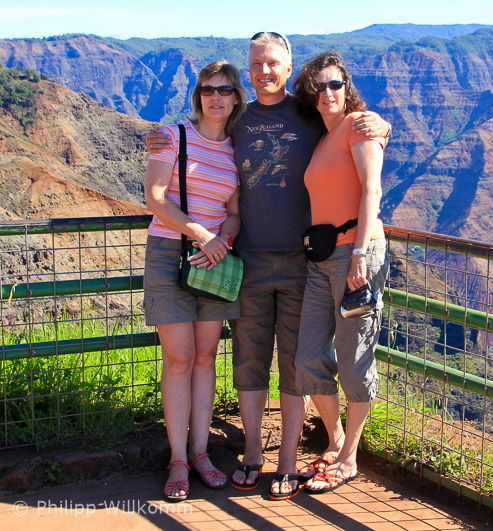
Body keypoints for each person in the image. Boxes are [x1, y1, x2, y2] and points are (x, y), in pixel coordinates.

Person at [146, 31, 390, 500]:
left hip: (306, 261)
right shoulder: (238, 116)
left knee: (298, 364)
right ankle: (255, 453)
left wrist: (381, 125)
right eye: (256, 63)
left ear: (287, 65)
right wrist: (158, 136)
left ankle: (288, 460)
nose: (264, 71)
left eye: (273, 62)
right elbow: (201, 132)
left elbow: (352, 129)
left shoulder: (308, 111)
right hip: (248, 261)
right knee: (250, 360)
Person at [143, 60, 247, 502]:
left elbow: (237, 213)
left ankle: (202, 454)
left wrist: (221, 239)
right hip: (171, 255)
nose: (216, 97)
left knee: (206, 357)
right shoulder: (172, 136)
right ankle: (178, 458)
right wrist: (202, 235)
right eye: (208, 90)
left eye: (224, 90)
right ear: (198, 95)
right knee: (180, 359)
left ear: (236, 97)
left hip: (216, 259)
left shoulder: (236, 149)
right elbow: (154, 198)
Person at [291, 50, 389, 494]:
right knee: (308, 358)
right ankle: (333, 440)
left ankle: (349, 456)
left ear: (347, 87)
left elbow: (372, 189)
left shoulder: (360, 125)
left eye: (335, 84)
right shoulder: (323, 135)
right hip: (320, 260)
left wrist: (360, 255)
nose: (327, 92)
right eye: (318, 86)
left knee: (353, 359)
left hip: (356, 255)